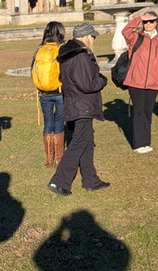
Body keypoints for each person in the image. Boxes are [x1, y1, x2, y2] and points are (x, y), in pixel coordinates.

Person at [47, 22, 110, 196]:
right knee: (80, 142)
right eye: (93, 36)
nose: (94, 40)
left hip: (75, 104)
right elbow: (87, 85)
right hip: (82, 106)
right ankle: (59, 182)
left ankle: (91, 180)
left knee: (87, 142)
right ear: (85, 37)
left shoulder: (68, 54)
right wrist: (102, 80)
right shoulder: (80, 56)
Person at [122, 10, 158, 153]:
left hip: (153, 83)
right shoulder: (135, 37)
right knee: (138, 111)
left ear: (156, 22)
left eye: (151, 21)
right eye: (146, 21)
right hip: (135, 82)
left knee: (147, 112)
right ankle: (138, 144)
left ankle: (146, 142)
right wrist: (138, 18)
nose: (148, 24)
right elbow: (125, 31)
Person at [32, 21, 66, 166]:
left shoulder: (39, 49)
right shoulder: (62, 48)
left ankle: (49, 158)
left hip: (43, 92)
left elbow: (32, 70)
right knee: (59, 121)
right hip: (59, 91)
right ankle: (59, 158)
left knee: (48, 122)